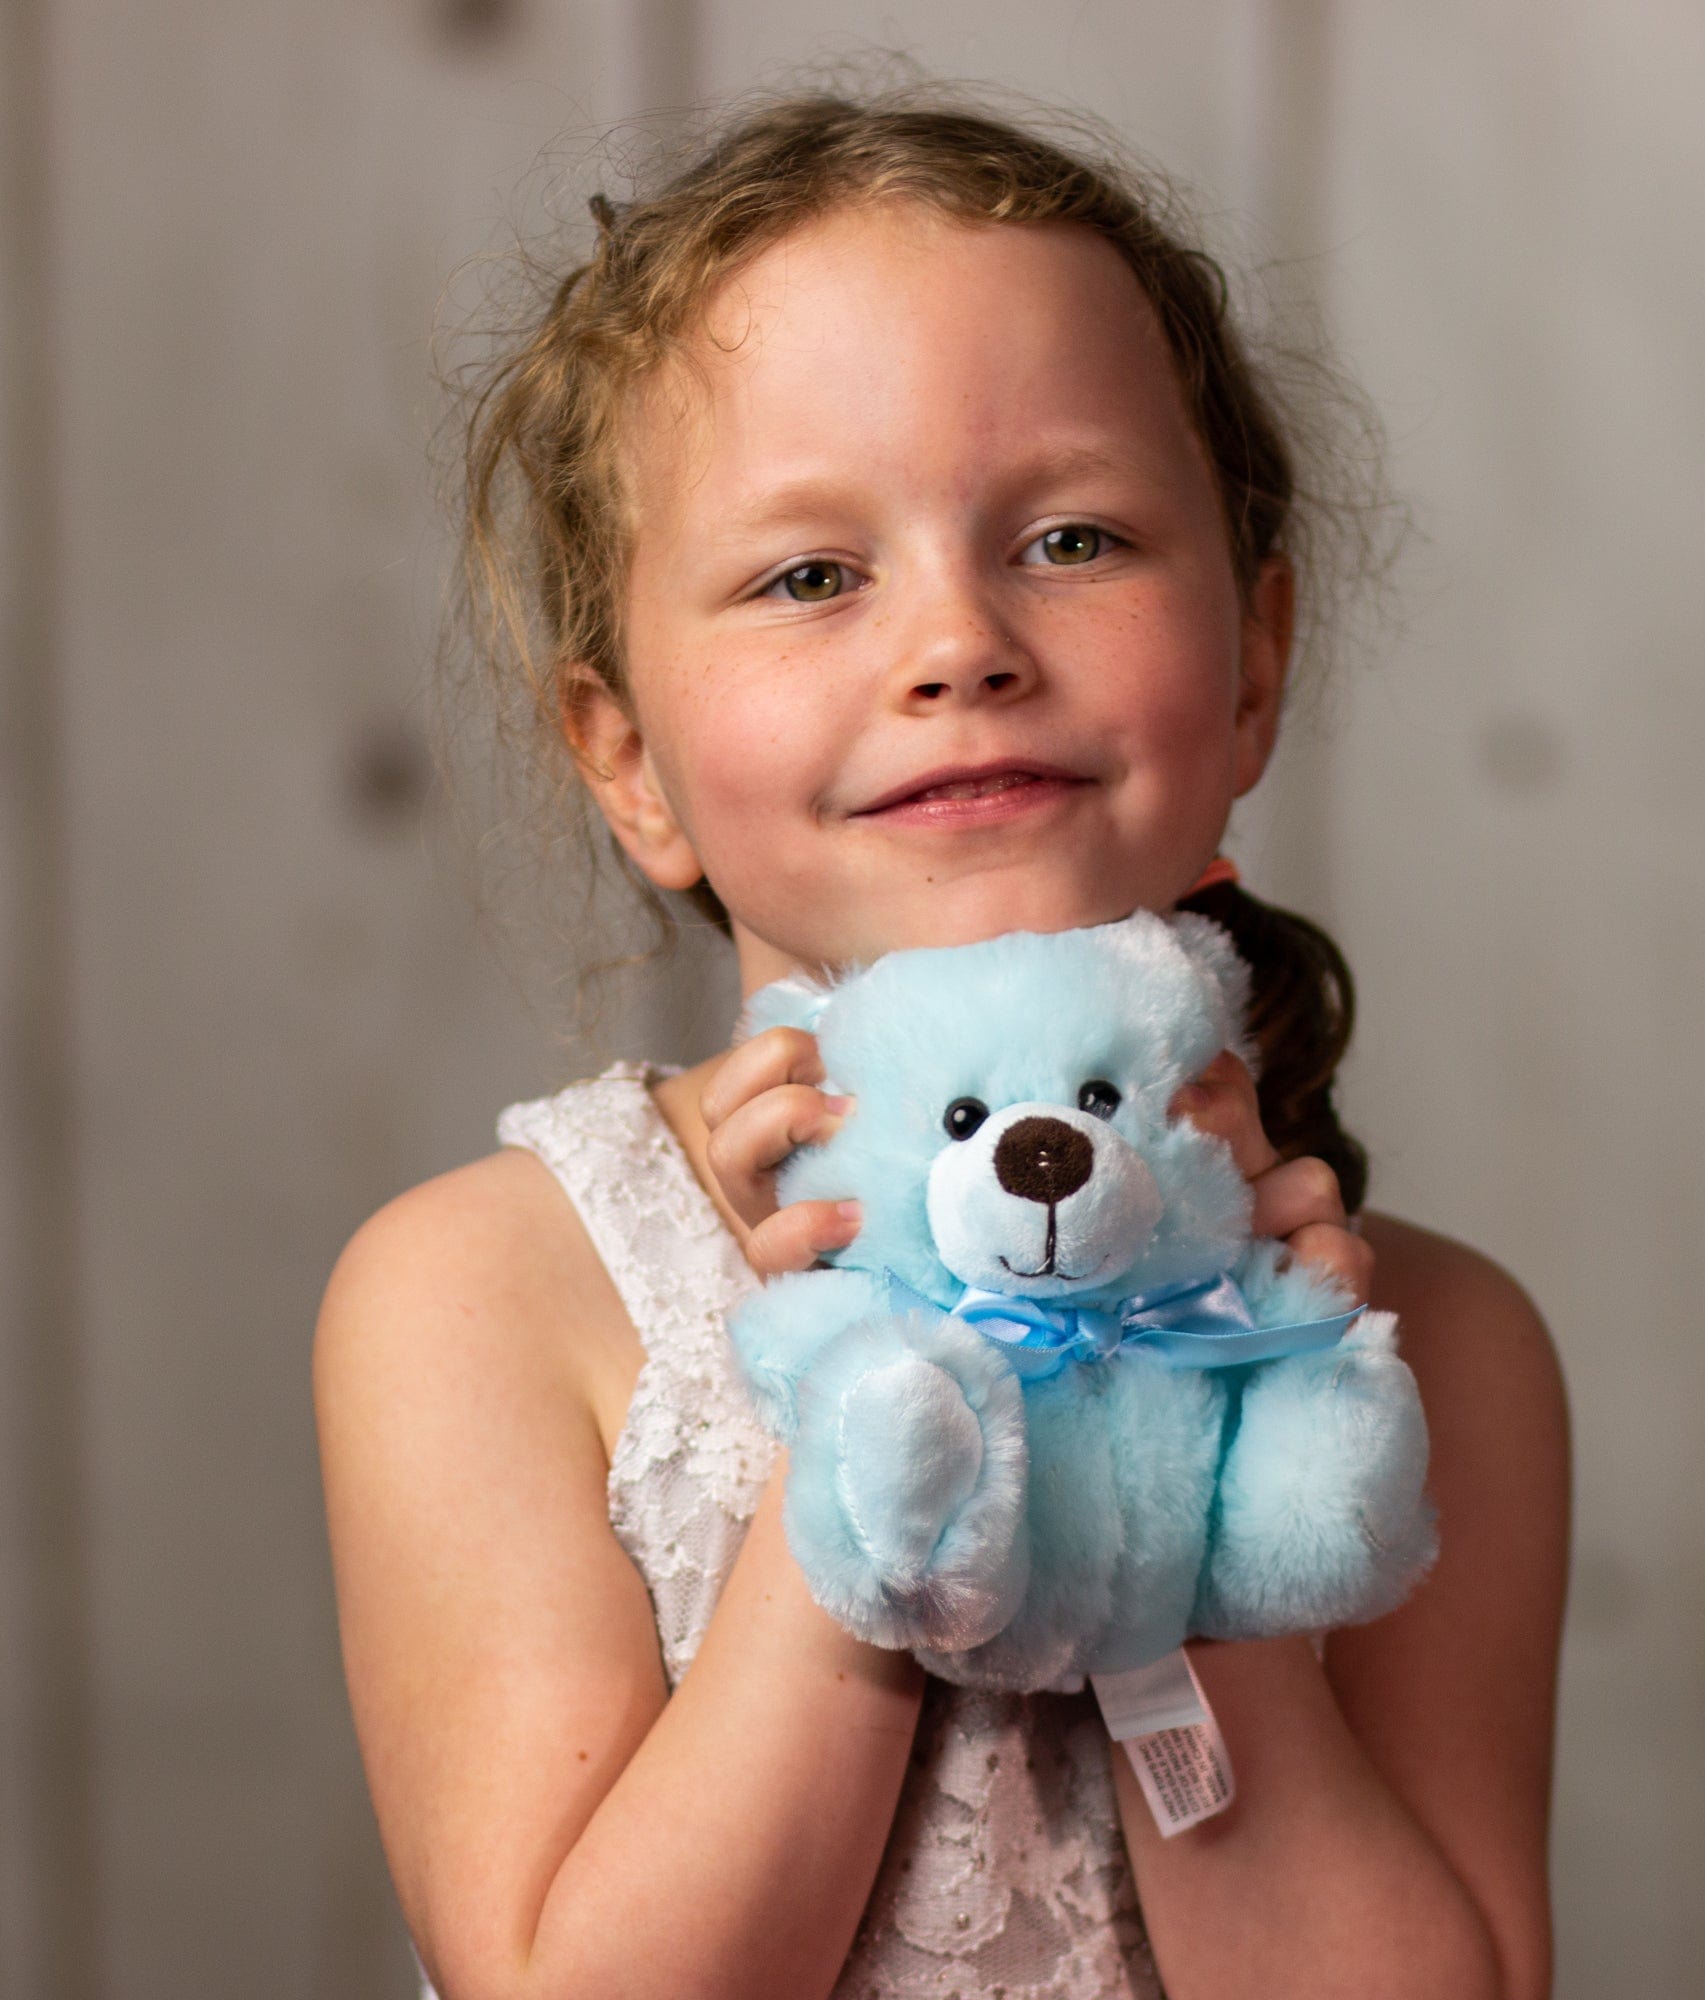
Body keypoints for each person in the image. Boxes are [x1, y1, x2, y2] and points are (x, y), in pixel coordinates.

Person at [315, 84, 1572, 2000]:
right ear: (628, 758)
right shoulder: (483, 1299)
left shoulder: (1425, 1347)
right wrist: (884, 1440)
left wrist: (1208, 1416)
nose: (959, 639)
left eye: (1072, 536)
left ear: (1250, 665)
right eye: (812, 574)